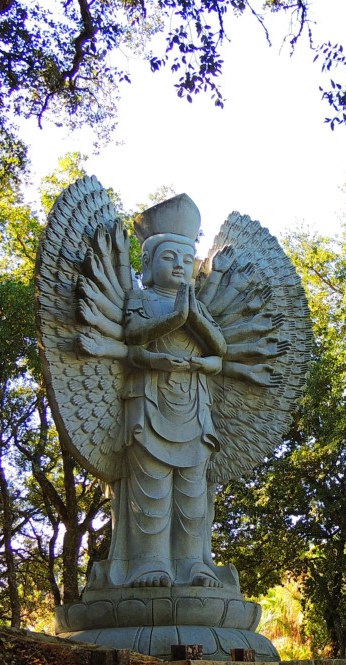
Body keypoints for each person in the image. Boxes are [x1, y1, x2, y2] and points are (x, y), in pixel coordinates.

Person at [101, 193, 230, 589]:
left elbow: (219, 347)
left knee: (193, 493)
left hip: (193, 406)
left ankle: (194, 564)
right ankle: (148, 563)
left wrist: (193, 318)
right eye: (167, 258)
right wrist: (176, 317)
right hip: (149, 401)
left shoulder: (195, 306)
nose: (178, 266)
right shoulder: (142, 299)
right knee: (151, 487)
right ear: (147, 265)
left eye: (185, 259)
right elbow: (135, 336)